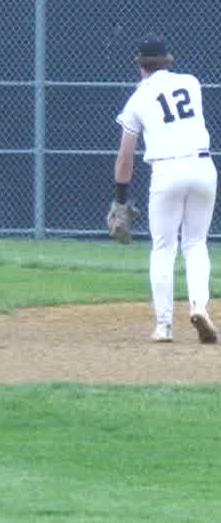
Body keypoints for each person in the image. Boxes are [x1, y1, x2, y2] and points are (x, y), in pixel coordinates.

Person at [110, 33, 218, 344]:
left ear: (140, 65)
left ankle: (164, 325)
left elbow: (125, 156)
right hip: (202, 167)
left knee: (164, 248)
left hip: (167, 170)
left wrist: (120, 199)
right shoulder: (191, 82)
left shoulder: (138, 98)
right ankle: (200, 307)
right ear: (167, 60)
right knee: (196, 244)